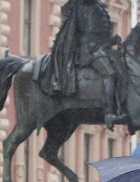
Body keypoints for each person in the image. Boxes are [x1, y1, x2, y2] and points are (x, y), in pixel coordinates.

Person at [43, 0, 126, 130]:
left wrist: (112, 41)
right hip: (87, 50)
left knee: (122, 68)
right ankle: (109, 113)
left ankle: (121, 107)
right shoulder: (79, 6)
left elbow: (101, 35)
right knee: (109, 73)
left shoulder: (99, 7)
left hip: (100, 49)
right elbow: (86, 33)